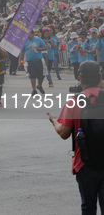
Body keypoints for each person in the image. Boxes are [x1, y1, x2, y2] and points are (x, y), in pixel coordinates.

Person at [47, 61, 104, 215]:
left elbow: (63, 133)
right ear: (100, 77)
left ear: (80, 78)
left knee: (88, 206)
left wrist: (54, 121)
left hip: (84, 163)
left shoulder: (74, 101)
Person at [19, 30, 47, 95]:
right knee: (32, 76)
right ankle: (34, 90)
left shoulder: (38, 39)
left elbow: (45, 47)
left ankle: (39, 86)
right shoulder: (25, 41)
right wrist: (20, 61)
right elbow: (22, 51)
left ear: (33, 34)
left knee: (41, 76)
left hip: (39, 60)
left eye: (29, 34)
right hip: (29, 61)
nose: (28, 36)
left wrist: (39, 49)